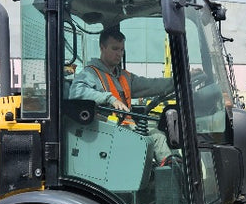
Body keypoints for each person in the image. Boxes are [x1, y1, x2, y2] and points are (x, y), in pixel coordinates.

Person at [69, 25, 176, 161]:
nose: (119, 54)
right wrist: (110, 99)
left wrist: (179, 80)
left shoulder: (124, 76)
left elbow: (152, 85)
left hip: (126, 127)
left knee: (157, 133)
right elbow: (76, 92)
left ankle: (171, 168)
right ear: (102, 48)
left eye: (122, 49)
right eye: (115, 49)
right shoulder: (91, 73)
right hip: (105, 132)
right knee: (153, 138)